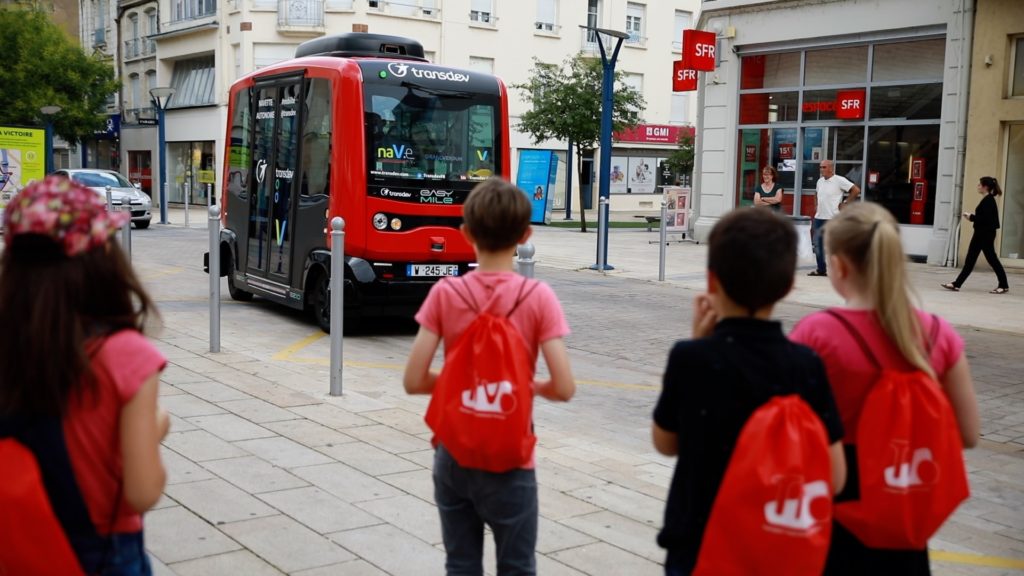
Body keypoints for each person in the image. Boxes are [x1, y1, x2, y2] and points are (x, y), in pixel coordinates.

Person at [652, 208, 846, 576]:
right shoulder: (806, 365)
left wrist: (698, 342)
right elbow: (834, 476)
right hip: (777, 545)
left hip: (700, 545)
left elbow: (666, 442)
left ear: (712, 282)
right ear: (789, 285)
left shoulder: (691, 358)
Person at [790, 202, 979, 576]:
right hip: (904, 499)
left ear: (839, 266)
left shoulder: (815, 334)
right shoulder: (939, 334)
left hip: (836, 505)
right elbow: (969, 434)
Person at [403, 177, 575, 575]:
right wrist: (520, 386)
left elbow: (413, 380)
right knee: (517, 566)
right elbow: (564, 387)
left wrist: (464, 385)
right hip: (511, 457)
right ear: (526, 235)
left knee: (461, 564)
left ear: (465, 234)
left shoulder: (446, 293)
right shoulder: (538, 298)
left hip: (454, 455)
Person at [0, 176, 169, 575]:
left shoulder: (9, 345)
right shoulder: (127, 355)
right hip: (103, 552)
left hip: (19, 538)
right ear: (102, 259)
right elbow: (143, 491)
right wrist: (155, 428)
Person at [942, 176, 1009, 294]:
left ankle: (1003, 285)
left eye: (979, 185)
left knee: (992, 260)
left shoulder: (989, 200)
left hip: (985, 235)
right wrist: (973, 217)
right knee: (970, 260)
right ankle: (956, 284)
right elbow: (984, 217)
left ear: (985, 187)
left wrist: (971, 217)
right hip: (980, 233)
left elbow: (987, 220)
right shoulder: (987, 199)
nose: (978, 187)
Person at [809, 159, 860, 276]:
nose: (821, 169)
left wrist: (846, 203)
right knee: (818, 245)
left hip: (833, 218)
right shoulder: (819, 181)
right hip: (819, 218)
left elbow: (856, 190)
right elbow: (816, 193)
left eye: (824, 167)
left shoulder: (839, 180)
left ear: (831, 169)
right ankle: (821, 269)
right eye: (820, 167)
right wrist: (816, 205)